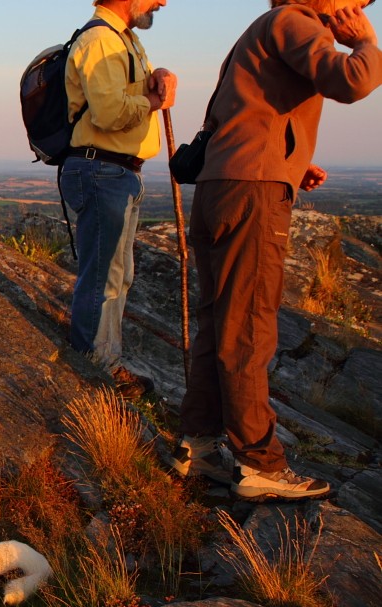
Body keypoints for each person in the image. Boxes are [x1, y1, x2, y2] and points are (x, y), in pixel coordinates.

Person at [170, 0, 382, 500]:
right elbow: (350, 81)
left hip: (224, 184)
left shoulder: (264, 28)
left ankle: (197, 445)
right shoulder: (296, 22)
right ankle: (260, 464)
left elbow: (251, 114)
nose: (355, 8)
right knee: (248, 328)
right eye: (352, 1)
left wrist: (291, 163)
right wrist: (367, 44)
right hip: (252, 192)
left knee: (220, 320)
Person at [61, 0, 177, 398]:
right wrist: (154, 102)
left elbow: (118, 93)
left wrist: (154, 77)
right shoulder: (100, 41)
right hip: (102, 170)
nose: (162, 2)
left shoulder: (121, 41)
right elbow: (110, 114)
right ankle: (93, 370)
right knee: (102, 276)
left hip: (117, 171)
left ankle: (105, 362)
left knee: (118, 274)